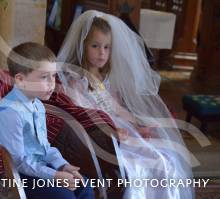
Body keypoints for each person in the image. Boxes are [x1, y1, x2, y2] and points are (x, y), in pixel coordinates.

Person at [57, 10, 195, 198]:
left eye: (107, 47)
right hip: (101, 136)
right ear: (82, 46)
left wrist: (138, 126)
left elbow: (117, 109)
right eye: (95, 46)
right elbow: (83, 116)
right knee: (141, 165)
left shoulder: (104, 79)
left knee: (165, 157)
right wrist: (111, 131)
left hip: (120, 130)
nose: (101, 53)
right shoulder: (76, 81)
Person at [0, 42, 94, 199]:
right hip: (11, 176)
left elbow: (43, 148)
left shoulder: (37, 105)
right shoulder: (10, 113)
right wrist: (54, 175)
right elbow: (17, 162)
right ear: (21, 80)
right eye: (44, 77)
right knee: (64, 196)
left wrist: (63, 165)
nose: (52, 83)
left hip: (35, 166)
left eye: (54, 76)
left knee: (84, 186)